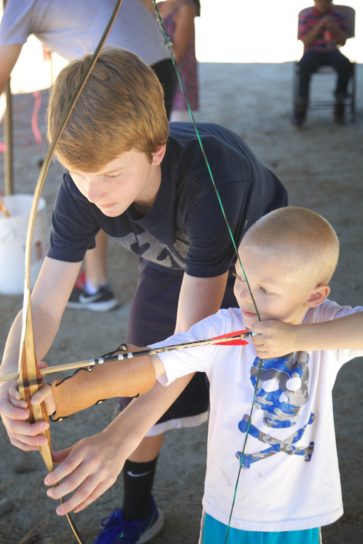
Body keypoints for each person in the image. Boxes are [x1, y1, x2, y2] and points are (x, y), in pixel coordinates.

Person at [0, 48, 287, 544]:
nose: (94, 192)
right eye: (77, 172)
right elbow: (45, 302)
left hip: (259, 268)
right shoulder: (84, 185)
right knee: (138, 369)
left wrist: (116, 439)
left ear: (156, 151)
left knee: (263, 388)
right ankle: (137, 513)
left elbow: (188, 346)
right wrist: (11, 373)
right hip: (174, 260)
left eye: (111, 175)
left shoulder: (210, 176)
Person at [27, 207, 363, 544]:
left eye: (265, 289)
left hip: (297, 513)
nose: (244, 295)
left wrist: (298, 338)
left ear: (314, 295)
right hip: (228, 511)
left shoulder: (324, 326)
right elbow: (150, 364)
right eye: (240, 278)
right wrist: (59, 398)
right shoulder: (225, 327)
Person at [0, 0, 176, 312]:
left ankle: (100, 285)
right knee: (124, 172)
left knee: (100, 169)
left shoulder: (20, 4)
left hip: (117, 75)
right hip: (158, 61)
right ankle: (157, 269)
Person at [294, 0, 353, 126]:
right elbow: (306, 41)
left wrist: (335, 28)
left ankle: (340, 102)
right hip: (313, 51)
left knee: (345, 64)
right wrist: (320, 25)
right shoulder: (307, 15)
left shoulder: (338, 16)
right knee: (305, 65)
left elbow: (342, 42)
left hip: (332, 50)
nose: (325, 3)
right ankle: (302, 106)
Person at [157, 0, 200, 121]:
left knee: (177, 127)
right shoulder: (158, 6)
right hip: (159, 77)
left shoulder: (185, 7)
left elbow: (177, 53)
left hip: (179, 80)